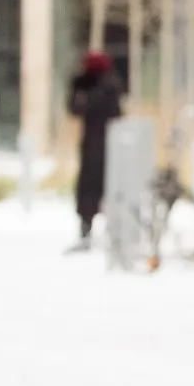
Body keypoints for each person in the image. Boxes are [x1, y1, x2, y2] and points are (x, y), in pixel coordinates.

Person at [66, 51, 122, 251]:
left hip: (103, 144)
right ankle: (88, 229)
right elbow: (75, 109)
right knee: (92, 187)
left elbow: (114, 112)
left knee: (102, 186)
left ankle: (99, 229)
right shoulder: (85, 85)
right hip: (95, 144)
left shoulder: (108, 87)